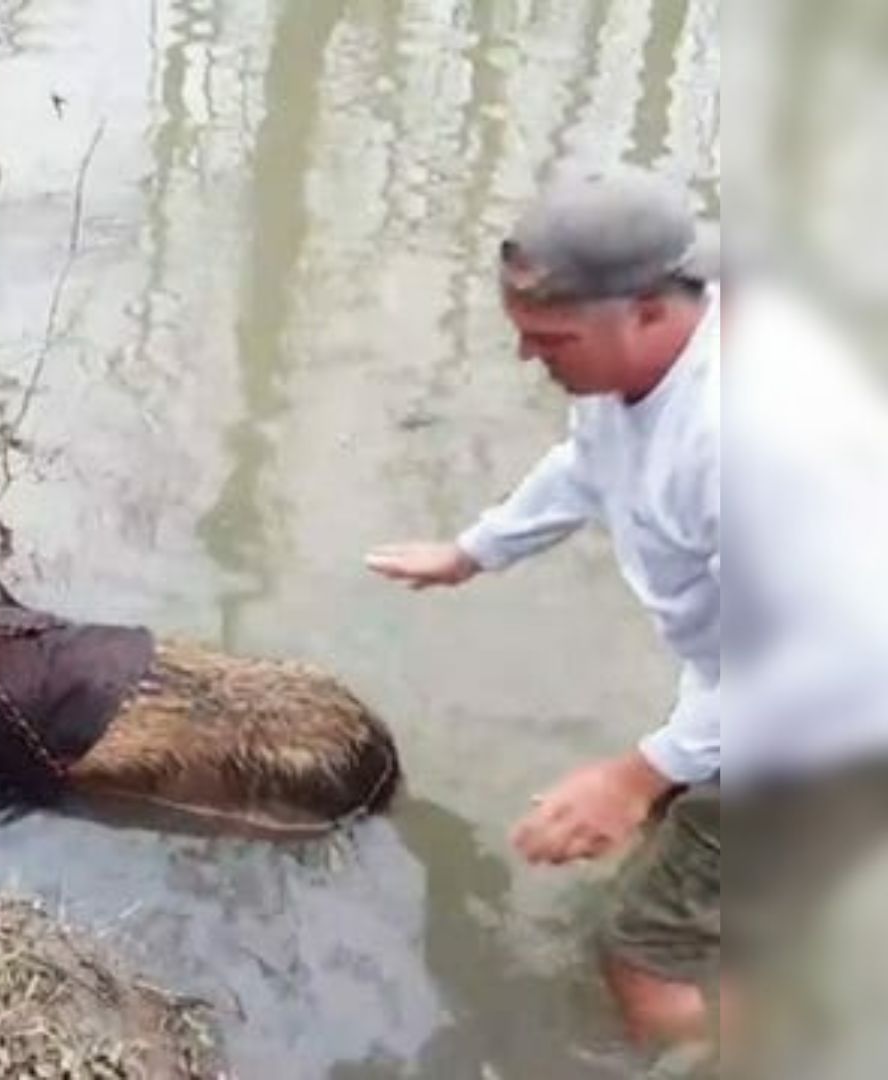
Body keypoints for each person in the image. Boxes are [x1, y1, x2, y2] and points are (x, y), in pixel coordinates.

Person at [366, 163, 888, 1063]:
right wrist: (473, 552)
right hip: (747, 690)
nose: (529, 358)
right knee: (683, 848)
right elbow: (584, 465)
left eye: (551, 338)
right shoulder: (633, 376)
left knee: (645, 972)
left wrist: (635, 774)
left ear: (648, 309)